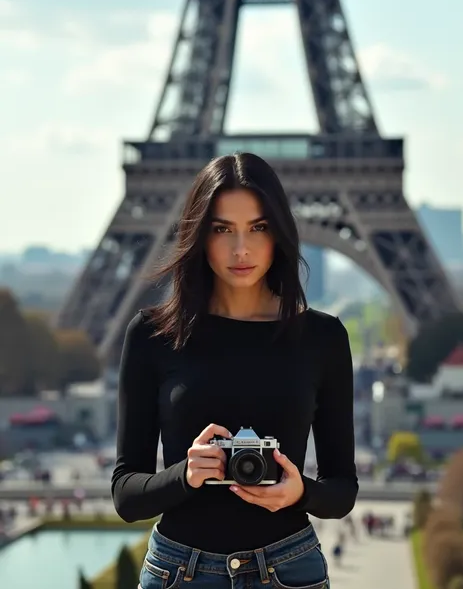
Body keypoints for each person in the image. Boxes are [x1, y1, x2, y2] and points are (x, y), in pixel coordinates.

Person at [111, 152, 358, 589]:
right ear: (199, 235)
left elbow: (343, 489)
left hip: (288, 569)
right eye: (222, 229)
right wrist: (185, 474)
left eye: (258, 228)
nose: (240, 249)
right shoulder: (151, 335)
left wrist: (301, 491)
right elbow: (126, 495)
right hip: (178, 572)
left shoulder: (324, 339)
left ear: (279, 233)